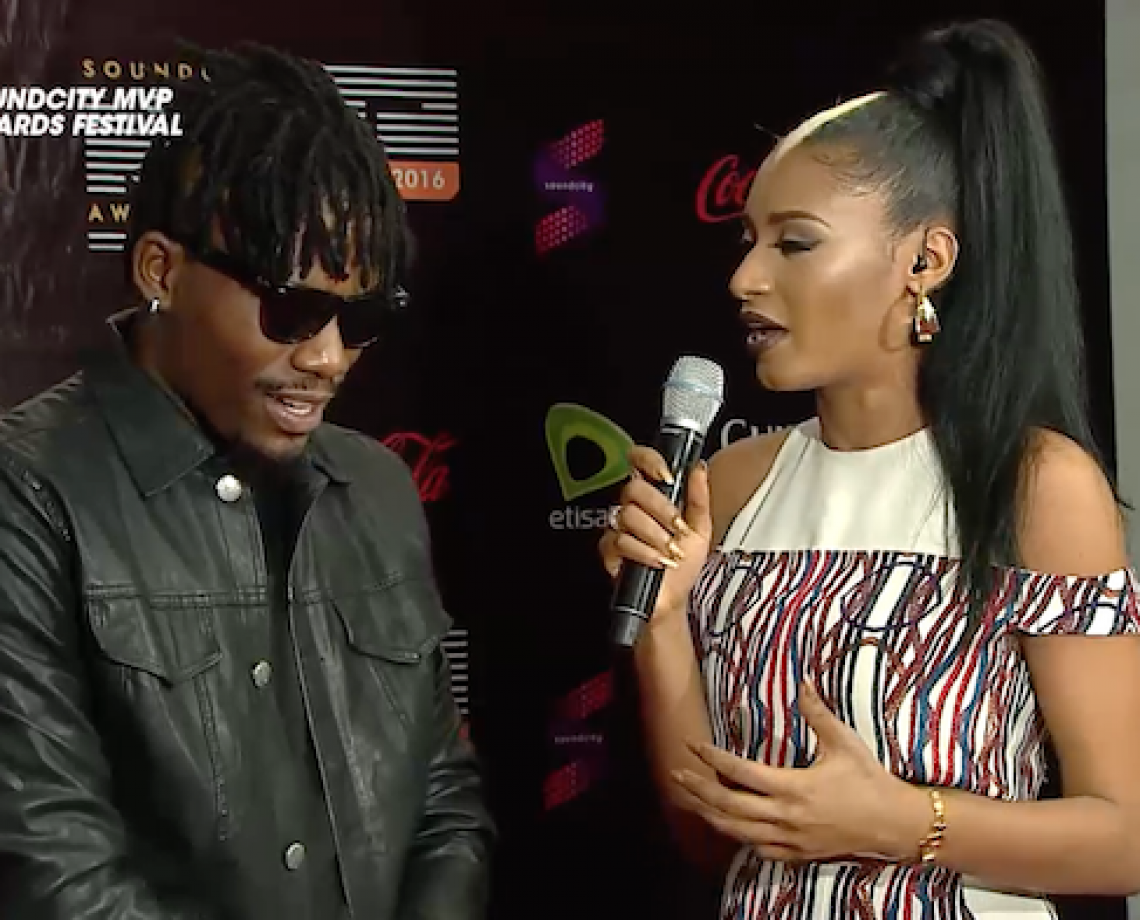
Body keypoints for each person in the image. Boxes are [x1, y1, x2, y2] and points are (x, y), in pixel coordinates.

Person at [600, 17, 1140, 920]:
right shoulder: (731, 485)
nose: (744, 278)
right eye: (748, 240)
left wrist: (900, 823)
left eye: (795, 243)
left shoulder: (1037, 486)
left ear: (924, 260)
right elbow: (713, 839)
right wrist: (662, 629)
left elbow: (1125, 839)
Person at [0, 43, 493, 920]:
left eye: (361, 317)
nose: (328, 358)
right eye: (292, 309)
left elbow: (444, 807)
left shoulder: (377, 487)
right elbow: (53, 866)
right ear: (161, 271)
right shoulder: (27, 492)